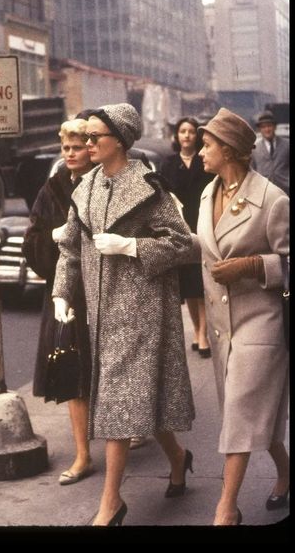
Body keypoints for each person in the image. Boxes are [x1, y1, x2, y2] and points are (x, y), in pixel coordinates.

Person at [52, 103, 195, 526]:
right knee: (135, 402)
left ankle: (110, 503)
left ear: (121, 141)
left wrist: (132, 247)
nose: (89, 143)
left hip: (143, 310)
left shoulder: (148, 185)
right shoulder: (85, 188)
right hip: (101, 312)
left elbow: (183, 244)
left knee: (118, 403)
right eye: (87, 136)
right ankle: (179, 456)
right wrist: (62, 293)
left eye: (96, 136)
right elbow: (70, 248)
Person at [196, 107, 289, 526]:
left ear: (229, 150)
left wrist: (252, 265)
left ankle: (225, 508)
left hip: (260, 323)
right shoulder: (206, 192)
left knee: (240, 411)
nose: (200, 151)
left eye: (207, 144)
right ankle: (286, 472)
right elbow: (205, 247)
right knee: (256, 418)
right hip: (221, 328)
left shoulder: (272, 199)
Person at [22, 118, 94, 486]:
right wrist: (52, 237)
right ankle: (83, 453)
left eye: (77, 146)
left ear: (91, 148)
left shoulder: (105, 183)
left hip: (104, 290)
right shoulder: (51, 189)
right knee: (71, 373)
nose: (70, 153)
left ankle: (128, 431)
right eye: (65, 147)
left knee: (110, 370)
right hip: (67, 294)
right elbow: (31, 240)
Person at [161, 117, 213, 357]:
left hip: (202, 223)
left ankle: (203, 332)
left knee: (202, 282)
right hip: (179, 228)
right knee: (189, 286)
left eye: (191, 132)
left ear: (197, 136)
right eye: (182, 131)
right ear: (177, 136)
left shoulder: (205, 161)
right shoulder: (169, 164)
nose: (187, 136)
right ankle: (197, 329)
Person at [251, 110, 289, 195]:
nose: (267, 129)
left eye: (269, 126)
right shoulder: (255, 148)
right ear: (260, 130)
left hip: (285, 191)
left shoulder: (287, 145)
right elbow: (252, 171)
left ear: (275, 127)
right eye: (263, 127)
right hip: (264, 193)